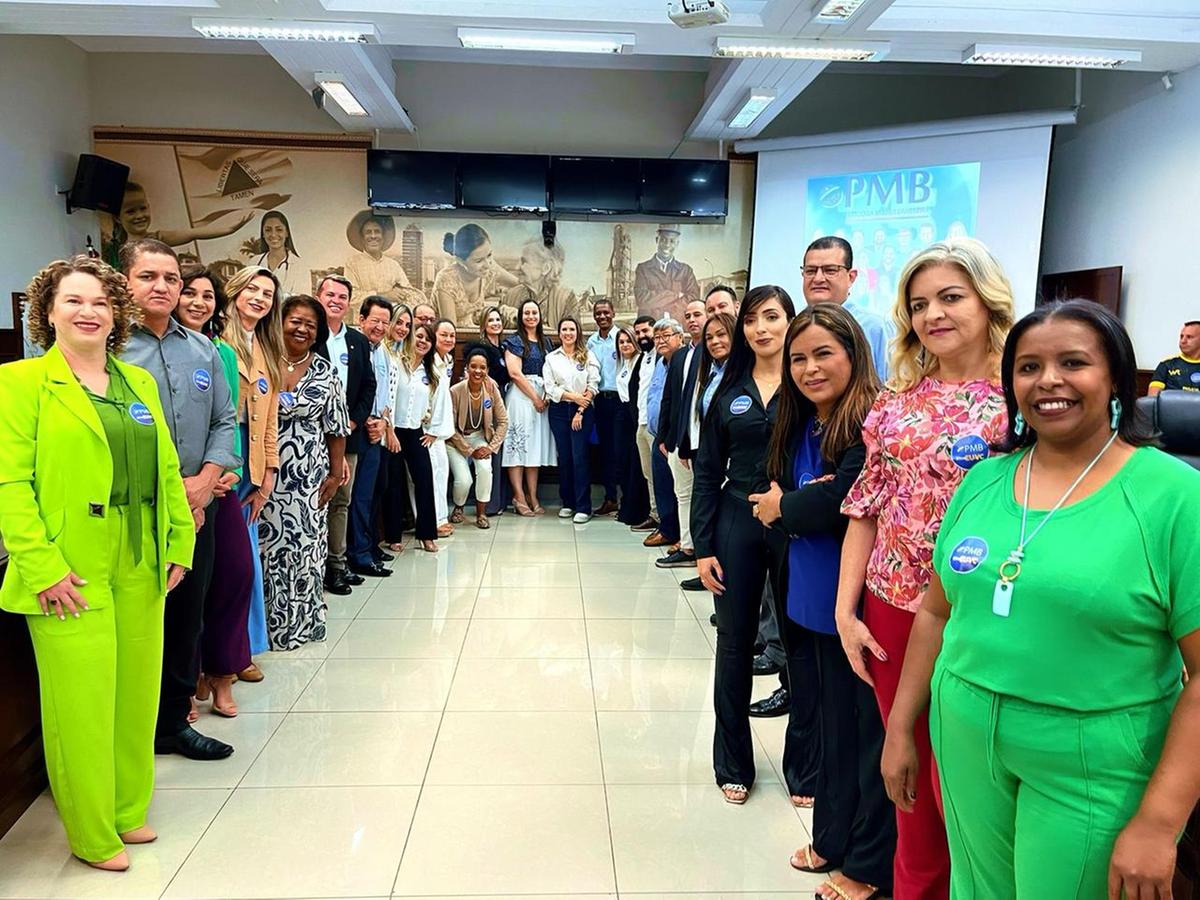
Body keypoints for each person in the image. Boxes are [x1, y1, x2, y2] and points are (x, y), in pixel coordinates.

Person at [883, 300, 1200, 899]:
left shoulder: (1174, 496)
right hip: (966, 734)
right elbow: (935, 611)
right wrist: (902, 727)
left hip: (1092, 755)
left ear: (1114, 378)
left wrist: (1160, 824)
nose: (1048, 380)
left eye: (1073, 362)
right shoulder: (983, 480)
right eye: (1028, 367)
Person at [0, 256, 194, 871]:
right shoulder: (21, 383)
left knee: (135, 692)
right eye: (73, 301)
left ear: (117, 316)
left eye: (101, 303)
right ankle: (90, 832)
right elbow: (11, 486)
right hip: (69, 567)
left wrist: (179, 541)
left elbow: (166, 467)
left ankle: (126, 809)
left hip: (140, 556)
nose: (89, 312)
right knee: (80, 702)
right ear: (47, 313)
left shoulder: (136, 383)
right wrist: (42, 566)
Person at [837, 238, 1014, 900]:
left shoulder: (1020, 395)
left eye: (950, 297)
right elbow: (865, 508)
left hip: (983, 615)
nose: (934, 315)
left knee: (966, 790)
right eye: (919, 304)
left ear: (986, 300)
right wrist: (844, 611)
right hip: (892, 606)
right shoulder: (897, 400)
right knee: (907, 778)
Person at [749, 304, 895, 900]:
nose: (809, 368)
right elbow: (776, 487)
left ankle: (865, 865)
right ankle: (833, 839)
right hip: (809, 600)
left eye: (823, 354)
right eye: (799, 357)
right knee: (830, 735)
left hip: (857, 608)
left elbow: (842, 500)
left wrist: (789, 506)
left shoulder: (872, 419)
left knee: (866, 742)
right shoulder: (802, 419)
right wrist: (792, 502)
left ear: (854, 354)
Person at [119, 239, 240, 762]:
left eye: (170, 278)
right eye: (148, 277)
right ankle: (129, 731)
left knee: (188, 614)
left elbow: (224, 420)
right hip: (135, 509)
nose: (162, 287)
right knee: (138, 620)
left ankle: (172, 723)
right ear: (125, 283)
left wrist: (206, 479)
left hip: (198, 505)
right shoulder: (111, 350)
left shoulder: (203, 350)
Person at [692, 285, 802, 805]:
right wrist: (703, 544)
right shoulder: (727, 389)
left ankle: (803, 768)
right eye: (752, 320)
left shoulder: (809, 384)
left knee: (802, 646)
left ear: (790, 322)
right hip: (735, 521)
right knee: (734, 645)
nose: (761, 329)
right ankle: (733, 761)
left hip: (795, 525)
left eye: (772, 317)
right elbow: (709, 471)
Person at [174, 267, 252, 718]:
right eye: (191, 293)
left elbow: (228, 418)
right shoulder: (134, 351)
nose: (199, 301)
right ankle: (184, 687)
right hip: (175, 488)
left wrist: (224, 469)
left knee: (236, 573)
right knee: (186, 590)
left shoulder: (217, 351)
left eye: (208, 295)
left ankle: (221, 674)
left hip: (218, 482)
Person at [259, 295, 349, 650]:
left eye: (311, 325)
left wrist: (333, 474)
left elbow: (337, 426)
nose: (302, 329)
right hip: (263, 475)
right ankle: (262, 631)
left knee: (306, 550)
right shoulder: (261, 363)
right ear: (280, 322)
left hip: (309, 476)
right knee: (266, 551)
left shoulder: (325, 372)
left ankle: (302, 624)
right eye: (295, 321)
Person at [219, 265, 284, 671]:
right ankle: (217, 655)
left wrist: (270, 472)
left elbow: (270, 419)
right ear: (235, 291)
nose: (259, 298)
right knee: (224, 563)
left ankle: (243, 648)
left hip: (254, 463)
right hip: (222, 457)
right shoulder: (214, 340)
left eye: (267, 293)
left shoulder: (265, 347)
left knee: (246, 562)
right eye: (253, 289)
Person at [313, 275, 376, 595]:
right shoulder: (306, 334)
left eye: (342, 296)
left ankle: (336, 565)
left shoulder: (357, 340)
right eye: (330, 294)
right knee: (313, 500)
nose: (335, 300)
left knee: (340, 499)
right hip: (308, 435)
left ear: (348, 303)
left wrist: (353, 422)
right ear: (318, 296)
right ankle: (312, 566)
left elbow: (368, 386)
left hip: (346, 434)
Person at [682, 311, 736, 597]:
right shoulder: (712, 370)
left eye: (722, 335)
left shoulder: (740, 375)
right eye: (710, 337)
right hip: (709, 455)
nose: (715, 341)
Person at [655, 298, 707, 568]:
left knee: (704, 499)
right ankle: (687, 548)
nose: (692, 319)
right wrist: (663, 436)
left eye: (698, 314)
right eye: (688, 315)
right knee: (683, 495)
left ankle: (704, 552)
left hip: (703, 442)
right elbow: (669, 398)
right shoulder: (681, 356)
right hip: (678, 439)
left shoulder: (716, 353)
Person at [346, 295, 395, 574]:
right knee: (354, 496)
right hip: (357, 430)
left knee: (371, 493)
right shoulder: (354, 347)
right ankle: (356, 554)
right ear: (362, 319)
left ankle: (367, 546)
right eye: (374, 320)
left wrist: (384, 422)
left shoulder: (384, 352)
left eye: (384, 322)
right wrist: (365, 420)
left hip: (377, 430)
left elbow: (385, 393)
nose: (379, 326)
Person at [803, 236, 894, 380]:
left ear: (851, 277)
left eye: (830, 270)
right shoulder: (796, 327)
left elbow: (891, 386)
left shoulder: (875, 327)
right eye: (810, 271)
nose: (818, 278)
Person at [103, 181, 252, 267]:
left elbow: (193, 233)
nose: (139, 216)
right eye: (131, 211)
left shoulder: (156, 239)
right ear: (117, 217)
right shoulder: (114, 250)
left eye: (143, 209)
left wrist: (229, 229)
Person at [543, 315, 601, 523]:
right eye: (564, 329)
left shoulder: (588, 356)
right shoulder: (552, 358)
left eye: (572, 329)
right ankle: (568, 503)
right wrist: (572, 397)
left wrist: (580, 410)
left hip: (582, 412)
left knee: (580, 457)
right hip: (558, 411)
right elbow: (550, 387)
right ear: (559, 333)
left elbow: (593, 384)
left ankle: (584, 506)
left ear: (578, 333)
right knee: (565, 458)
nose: (568, 333)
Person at [502, 299, 556, 515]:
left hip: (542, 398)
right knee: (518, 446)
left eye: (534, 312)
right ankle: (519, 496)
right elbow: (514, 373)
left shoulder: (546, 342)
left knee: (534, 448)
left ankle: (533, 495)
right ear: (521, 316)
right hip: (522, 398)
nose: (531, 316)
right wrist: (535, 398)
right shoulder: (514, 341)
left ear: (540, 316)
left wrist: (546, 397)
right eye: (527, 313)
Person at [448, 346, 509, 529]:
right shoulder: (455, 391)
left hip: (480, 438)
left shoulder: (491, 390)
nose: (478, 371)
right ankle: (458, 507)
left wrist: (490, 448)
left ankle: (481, 513)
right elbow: (449, 427)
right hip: (455, 440)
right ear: (466, 368)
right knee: (464, 479)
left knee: (484, 469)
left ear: (487, 370)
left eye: (482, 367)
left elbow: (503, 421)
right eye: (473, 367)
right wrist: (468, 450)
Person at [393, 322, 440, 553]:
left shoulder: (431, 374)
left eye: (427, 339)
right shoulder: (396, 363)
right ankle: (393, 536)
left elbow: (438, 404)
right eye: (419, 336)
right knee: (393, 483)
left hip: (415, 432)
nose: (422, 342)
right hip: (393, 430)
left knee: (424, 480)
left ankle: (427, 535)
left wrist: (433, 431)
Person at [643, 318, 684, 550]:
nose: (660, 341)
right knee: (662, 484)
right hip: (658, 433)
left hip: (674, 436)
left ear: (680, 337)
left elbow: (678, 403)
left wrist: (669, 438)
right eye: (657, 337)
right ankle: (667, 528)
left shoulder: (683, 361)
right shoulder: (660, 362)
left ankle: (679, 534)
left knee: (678, 488)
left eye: (666, 336)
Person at [433, 224, 518, 327]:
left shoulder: (490, 267)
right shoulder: (446, 280)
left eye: (489, 255)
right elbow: (450, 332)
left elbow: (519, 284)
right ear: (460, 261)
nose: (487, 264)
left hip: (476, 331)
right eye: (478, 261)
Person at [470, 305, 511, 516]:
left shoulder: (503, 346)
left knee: (501, 449)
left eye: (498, 320)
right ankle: (490, 504)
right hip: (488, 400)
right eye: (491, 320)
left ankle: (501, 500)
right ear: (484, 324)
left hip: (503, 398)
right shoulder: (483, 347)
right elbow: (479, 375)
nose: (495, 323)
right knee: (491, 447)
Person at [381, 304, 414, 551]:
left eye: (407, 325)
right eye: (399, 322)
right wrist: (389, 428)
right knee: (383, 485)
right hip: (382, 428)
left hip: (392, 427)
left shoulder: (400, 353)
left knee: (390, 483)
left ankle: (387, 536)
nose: (403, 328)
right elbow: (382, 394)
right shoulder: (380, 350)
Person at [587, 298, 621, 516]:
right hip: (599, 401)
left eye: (606, 313)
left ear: (613, 313)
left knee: (622, 450)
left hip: (621, 401)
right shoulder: (591, 342)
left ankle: (628, 498)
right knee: (605, 451)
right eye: (598, 313)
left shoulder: (622, 337)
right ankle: (610, 498)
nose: (602, 317)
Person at [343, 211, 413, 315]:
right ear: (362, 238)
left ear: (383, 237)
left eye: (377, 231)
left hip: (389, 322)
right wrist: (384, 296)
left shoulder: (393, 265)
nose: (373, 236)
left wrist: (401, 295)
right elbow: (351, 297)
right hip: (362, 323)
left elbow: (409, 293)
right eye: (368, 232)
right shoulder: (352, 263)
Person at [615, 325, 651, 527]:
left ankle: (638, 512)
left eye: (629, 340)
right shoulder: (622, 363)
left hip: (636, 417)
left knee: (638, 466)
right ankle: (626, 507)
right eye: (621, 342)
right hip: (623, 417)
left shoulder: (642, 361)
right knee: (624, 463)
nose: (625, 345)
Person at [630, 314, 661, 532]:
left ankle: (666, 520)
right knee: (648, 473)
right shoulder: (644, 357)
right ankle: (655, 514)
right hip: (641, 424)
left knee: (661, 475)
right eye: (638, 332)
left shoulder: (663, 356)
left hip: (656, 426)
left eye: (645, 331)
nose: (642, 336)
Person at [634, 224, 701, 323]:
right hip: (649, 326)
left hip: (678, 325)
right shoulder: (643, 269)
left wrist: (671, 308)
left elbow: (693, 297)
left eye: (672, 241)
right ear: (657, 240)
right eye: (664, 240)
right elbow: (641, 299)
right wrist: (676, 295)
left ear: (677, 244)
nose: (667, 245)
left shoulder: (686, 270)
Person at [503, 240, 575, 331]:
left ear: (546, 268)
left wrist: (520, 319)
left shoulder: (566, 298)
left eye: (524, 262)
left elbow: (571, 336)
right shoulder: (510, 296)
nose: (517, 267)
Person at [430, 318, 458, 534]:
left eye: (452, 335)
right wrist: (429, 427)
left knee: (441, 474)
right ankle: (433, 521)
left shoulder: (447, 360)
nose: (449, 339)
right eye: (444, 335)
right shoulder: (427, 362)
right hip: (428, 431)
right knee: (430, 476)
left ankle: (440, 517)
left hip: (441, 431)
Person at [255, 210, 304, 297]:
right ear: (263, 234)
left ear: (286, 233)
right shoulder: (253, 262)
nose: (273, 234)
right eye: (268, 230)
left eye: (279, 230)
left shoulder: (299, 266)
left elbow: (303, 303)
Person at [1148, 320, 1200, 395]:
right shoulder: (1166, 365)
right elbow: (1152, 399)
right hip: (1170, 407)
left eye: (1189, 337)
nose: (1183, 341)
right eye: (1181, 336)